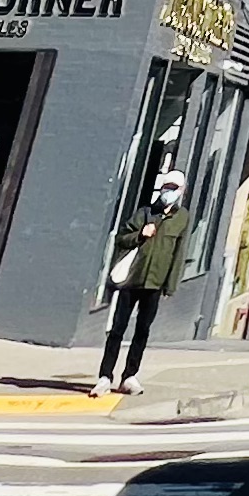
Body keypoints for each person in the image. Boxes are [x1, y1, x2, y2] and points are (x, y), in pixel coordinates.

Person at [94, 168, 190, 395]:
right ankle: (105, 376)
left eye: (174, 188)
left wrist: (170, 285)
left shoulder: (182, 218)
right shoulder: (145, 213)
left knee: (142, 330)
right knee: (118, 329)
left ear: (182, 191)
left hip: (154, 283)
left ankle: (130, 375)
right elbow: (122, 239)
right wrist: (140, 235)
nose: (169, 192)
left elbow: (179, 252)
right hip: (131, 281)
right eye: (166, 187)